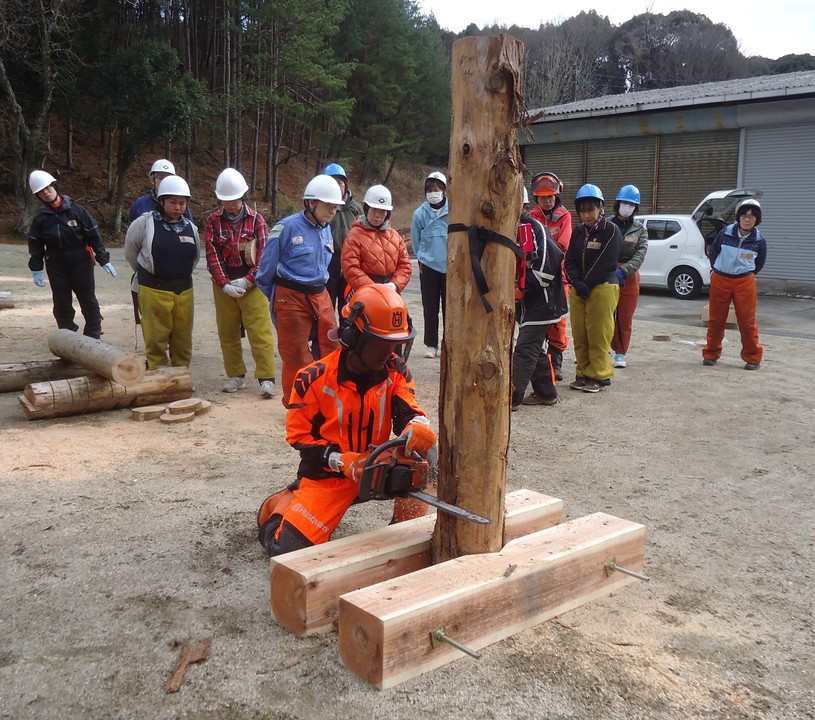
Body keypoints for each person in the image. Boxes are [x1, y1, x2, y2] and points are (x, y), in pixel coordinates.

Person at [256, 284, 436, 556]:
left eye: (394, 344)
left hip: (375, 465)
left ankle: (405, 526)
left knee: (429, 453)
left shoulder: (396, 371)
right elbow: (300, 438)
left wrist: (417, 425)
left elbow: (406, 410)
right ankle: (282, 505)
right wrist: (342, 461)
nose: (388, 353)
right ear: (354, 336)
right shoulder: (313, 379)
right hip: (329, 476)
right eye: (380, 344)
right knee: (288, 552)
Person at [255, 175, 344, 406]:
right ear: (311, 203)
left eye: (335, 207)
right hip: (291, 296)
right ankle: (298, 406)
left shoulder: (326, 229)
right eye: (328, 206)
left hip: (320, 294)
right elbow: (264, 273)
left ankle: (325, 400)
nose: (333, 211)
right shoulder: (285, 228)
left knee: (331, 347)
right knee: (296, 355)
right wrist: (280, 301)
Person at [205, 168, 277, 396]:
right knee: (228, 332)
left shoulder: (257, 220)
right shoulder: (213, 221)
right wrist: (224, 283)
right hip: (223, 283)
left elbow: (264, 256)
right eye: (226, 200)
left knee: (260, 332)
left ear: (242, 196)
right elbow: (212, 254)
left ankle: (266, 378)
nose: (231, 204)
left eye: (235, 199)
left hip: (252, 284)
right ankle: (235, 375)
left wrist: (247, 281)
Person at [27, 170, 117, 339]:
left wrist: (103, 259)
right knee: (61, 302)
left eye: (48, 188)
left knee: (87, 299)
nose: (46, 193)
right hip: (55, 264)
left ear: (55, 186)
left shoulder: (77, 211)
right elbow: (36, 243)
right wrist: (36, 268)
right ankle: (67, 336)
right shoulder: (41, 218)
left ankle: (93, 334)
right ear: (37, 195)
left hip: (80, 261)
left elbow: (93, 235)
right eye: (41, 191)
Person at [125, 175, 199, 369]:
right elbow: (131, 252)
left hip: (183, 290)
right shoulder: (144, 223)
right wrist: (148, 272)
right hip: (153, 289)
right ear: (162, 201)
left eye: (182, 203)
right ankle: (158, 376)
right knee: (156, 337)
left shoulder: (191, 227)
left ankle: (181, 374)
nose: (178, 207)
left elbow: (195, 258)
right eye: (173, 202)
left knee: (183, 337)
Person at [563, 184, 622, 393]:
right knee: (580, 335)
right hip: (579, 290)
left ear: (600, 208)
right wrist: (576, 282)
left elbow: (607, 262)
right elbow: (569, 260)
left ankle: (598, 375)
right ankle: (582, 373)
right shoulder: (578, 232)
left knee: (599, 334)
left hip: (603, 288)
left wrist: (586, 284)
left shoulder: (611, 230)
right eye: (582, 210)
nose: (586, 215)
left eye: (590, 210)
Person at [512, 211, 568, 410]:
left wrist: (523, 288)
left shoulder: (536, 229)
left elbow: (548, 265)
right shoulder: (510, 229)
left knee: (525, 348)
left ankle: (513, 396)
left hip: (543, 302)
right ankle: (546, 392)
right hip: (530, 303)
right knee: (534, 347)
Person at [702, 198, 767, 370]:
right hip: (720, 280)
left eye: (752, 217)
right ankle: (711, 353)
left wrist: (744, 274)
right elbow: (713, 252)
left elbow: (759, 263)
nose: (747, 219)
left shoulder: (759, 241)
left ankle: (752, 357)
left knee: (747, 321)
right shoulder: (724, 233)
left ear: (757, 220)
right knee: (716, 319)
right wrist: (717, 270)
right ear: (738, 217)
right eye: (744, 215)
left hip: (745, 282)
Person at [529, 171, 572, 380]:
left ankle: (556, 360)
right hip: (535, 277)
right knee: (534, 322)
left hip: (558, 278)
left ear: (557, 195)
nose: (546, 201)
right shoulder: (531, 217)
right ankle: (538, 365)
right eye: (542, 197)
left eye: (550, 196)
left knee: (558, 323)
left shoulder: (565, 217)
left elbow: (563, 245)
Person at [341, 184, 412, 302]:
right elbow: (350, 268)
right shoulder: (354, 236)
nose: (377, 215)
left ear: (387, 213)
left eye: (382, 211)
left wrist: (395, 285)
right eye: (374, 209)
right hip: (363, 293)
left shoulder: (395, 237)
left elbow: (405, 266)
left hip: (390, 293)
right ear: (366, 208)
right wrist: (373, 288)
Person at [411, 171, 449, 358]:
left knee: (450, 308)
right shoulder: (420, 213)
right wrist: (422, 258)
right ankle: (431, 344)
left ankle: (449, 343)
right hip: (428, 266)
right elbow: (415, 240)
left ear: (444, 190)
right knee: (430, 307)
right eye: (429, 190)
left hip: (450, 266)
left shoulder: (454, 210)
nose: (433, 193)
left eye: (436, 189)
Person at [609, 185, 648, 369]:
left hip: (629, 277)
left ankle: (620, 352)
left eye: (631, 204)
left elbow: (640, 254)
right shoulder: (607, 224)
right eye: (625, 203)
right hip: (607, 273)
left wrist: (624, 270)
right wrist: (608, 269)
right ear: (618, 204)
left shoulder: (640, 229)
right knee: (604, 315)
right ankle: (601, 349)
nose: (627, 207)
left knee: (624, 317)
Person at [323, 162, 363, 314]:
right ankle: (327, 337)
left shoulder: (356, 208)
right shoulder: (321, 207)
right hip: (328, 260)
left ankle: (346, 337)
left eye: (339, 183)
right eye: (332, 182)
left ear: (345, 185)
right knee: (327, 304)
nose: (337, 186)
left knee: (348, 305)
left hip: (351, 261)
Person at [129, 159, 193, 223]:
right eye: (161, 177)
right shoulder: (140, 204)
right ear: (152, 180)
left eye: (168, 178)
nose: (164, 181)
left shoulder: (183, 208)